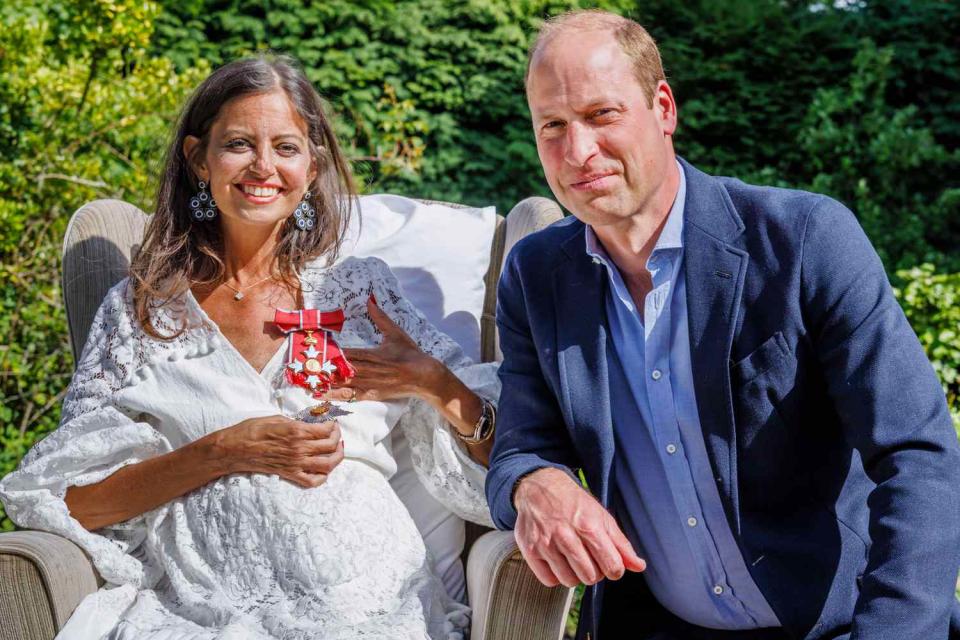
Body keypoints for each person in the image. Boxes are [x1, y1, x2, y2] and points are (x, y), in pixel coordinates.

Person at [485, 9, 960, 640]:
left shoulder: (805, 240)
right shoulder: (535, 274)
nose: (579, 151)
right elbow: (523, 440)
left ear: (663, 108)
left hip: (842, 625)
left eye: (602, 115)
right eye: (553, 126)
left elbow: (918, 454)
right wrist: (533, 481)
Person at [0, 54, 499, 640]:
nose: (264, 167)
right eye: (239, 143)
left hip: (370, 604)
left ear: (312, 169)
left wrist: (434, 382)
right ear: (197, 159)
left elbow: (502, 466)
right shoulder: (142, 310)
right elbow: (72, 501)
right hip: (199, 610)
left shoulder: (360, 290)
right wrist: (222, 451)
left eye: (286, 148)